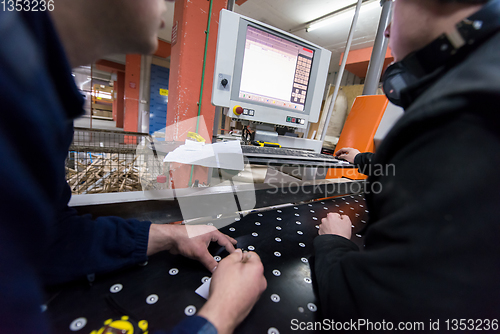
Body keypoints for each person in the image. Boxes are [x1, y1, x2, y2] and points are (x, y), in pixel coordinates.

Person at [0, 1, 266, 333]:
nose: (167, 4)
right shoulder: (12, 90)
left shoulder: (40, 92)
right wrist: (223, 311)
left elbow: (50, 240)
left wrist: (170, 235)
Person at [315, 0, 500, 325]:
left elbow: (370, 313)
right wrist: (362, 159)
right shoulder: (483, 76)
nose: (387, 28)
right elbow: (425, 172)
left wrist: (333, 243)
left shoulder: (465, 114)